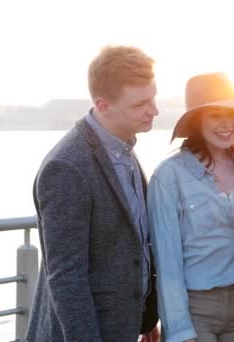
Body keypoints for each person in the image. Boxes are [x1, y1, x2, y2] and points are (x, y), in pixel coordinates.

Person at [26, 45, 160, 342]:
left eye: (153, 97)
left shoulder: (122, 146)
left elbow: (132, 241)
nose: (154, 110)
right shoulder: (66, 167)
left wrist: (145, 316)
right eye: (140, 104)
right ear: (103, 106)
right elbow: (66, 278)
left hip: (125, 327)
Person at [147, 72, 234, 342]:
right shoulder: (169, 176)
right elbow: (167, 265)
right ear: (196, 121)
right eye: (215, 115)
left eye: (233, 114)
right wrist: (179, 331)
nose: (227, 124)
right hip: (196, 310)